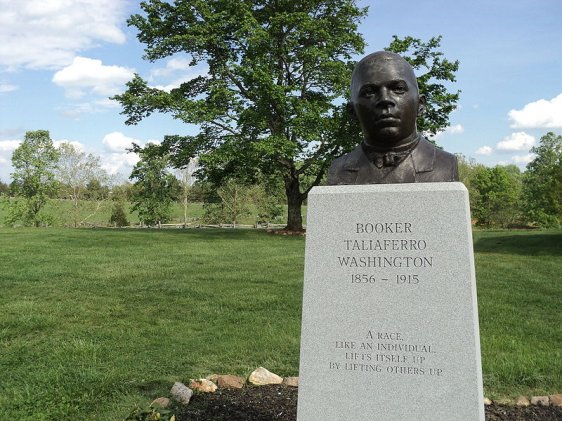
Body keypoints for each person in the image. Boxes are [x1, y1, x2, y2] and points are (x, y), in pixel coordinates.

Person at [328, 51, 458, 185]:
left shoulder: (446, 164)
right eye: (369, 92)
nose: (385, 99)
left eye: (398, 88)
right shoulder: (338, 170)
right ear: (352, 111)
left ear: (420, 105)